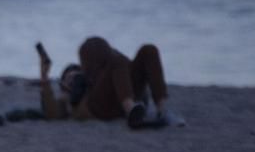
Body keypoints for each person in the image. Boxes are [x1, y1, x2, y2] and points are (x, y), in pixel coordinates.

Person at [38, 37, 169, 128]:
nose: (73, 78)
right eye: (68, 77)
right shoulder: (68, 97)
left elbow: (118, 64)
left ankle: (162, 109)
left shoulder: (107, 69)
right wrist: (44, 76)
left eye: (75, 74)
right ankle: (130, 109)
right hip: (98, 107)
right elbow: (52, 114)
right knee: (110, 57)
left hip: (121, 95)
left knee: (149, 50)